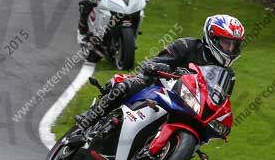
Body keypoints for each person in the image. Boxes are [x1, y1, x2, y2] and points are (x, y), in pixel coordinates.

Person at [75, 14, 245, 129]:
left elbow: (219, 101)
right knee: (128, 84)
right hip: (160, 87)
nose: (230, 49)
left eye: (234, 45)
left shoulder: (227, 75)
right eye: (226, 43)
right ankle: (92, 115)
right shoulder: (186, 45)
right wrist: (159, 67)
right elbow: (155, 62)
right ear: (212, 37)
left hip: (190, 106)